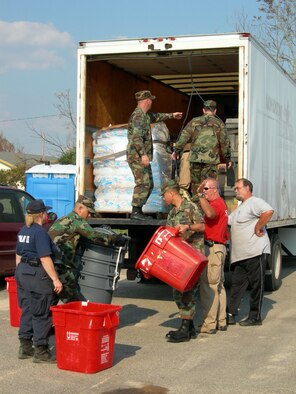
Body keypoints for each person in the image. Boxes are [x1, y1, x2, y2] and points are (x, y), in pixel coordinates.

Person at [48, 195, 126, 303]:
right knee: (73, 302)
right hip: (60, 267)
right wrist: (116, 239)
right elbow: (94, 236)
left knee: (52, 299)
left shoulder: (64, 219)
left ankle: (49, 319)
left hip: (50, 265)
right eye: (88, 212)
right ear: (80, 209)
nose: (89, 215)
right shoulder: (77, 220)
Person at [15, 199, 63, 363]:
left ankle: (25, 346)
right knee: (42, 313)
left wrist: (19, 274)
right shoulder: (40, 232)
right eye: (45, 212)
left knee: (28, 308)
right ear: (42, 214)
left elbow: (18, 255)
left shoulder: (23, 230)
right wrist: (55, 279)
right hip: (37, 274)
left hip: (22, 272)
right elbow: (44, 258)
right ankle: (41, 351)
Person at [127, 90, 183, 220]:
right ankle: (135, 212)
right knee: (143, 183)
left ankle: (138, 210)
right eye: (151, 100)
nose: (152, 102)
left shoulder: (145, 115)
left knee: (149, 183)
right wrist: (143, 154)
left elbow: (157, 116)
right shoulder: (137, 116)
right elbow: (136, 137)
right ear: (147, 101)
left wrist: (172, 115)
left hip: (140, 156)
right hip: (136, 156)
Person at [161, 179, 204, 343]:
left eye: (164, 195)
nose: (164, 198)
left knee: (186, 292)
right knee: (179, 290)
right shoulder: (173, 213)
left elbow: (203, 226)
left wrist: (189, 227)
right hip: (179, 257)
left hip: (192, 257)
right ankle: (190, 327)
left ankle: (185, 328)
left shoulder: (190, 207)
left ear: (171, 193)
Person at [227, 178, 274, 326]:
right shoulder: (240, 208)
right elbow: (227, 222)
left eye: (238, 188)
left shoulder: (254, 202)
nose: (236, 190)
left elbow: (268, 211)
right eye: (235, 188)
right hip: (240, 256)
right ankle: (231, 314)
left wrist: (258, 226)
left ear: (247, 188)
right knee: (236, 286)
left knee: (256, 286)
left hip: (255, 252)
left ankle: (255, 317)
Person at [172, 100, 231, 195]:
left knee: (196, 186)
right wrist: (228, 159)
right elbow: (224, 143)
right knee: (209, 186)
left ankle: (197, 206)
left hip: (195, 159)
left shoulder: (194, 121)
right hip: (210, 161)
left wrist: (176, 151)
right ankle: (207, 207)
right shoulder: (219, 124)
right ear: (215, 111)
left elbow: (183, 137)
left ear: (203, 110)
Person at [195, 178, 228, 334]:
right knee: (219, 286)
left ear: (215, 189)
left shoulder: (216, 204)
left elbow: (209, 213)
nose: (204, 191)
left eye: (206, 189)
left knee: (209, 286)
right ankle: (221, 321)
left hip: (213, 248)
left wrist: (200, 196)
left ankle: (209, 324)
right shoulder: (221, 203)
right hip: (218, 247)